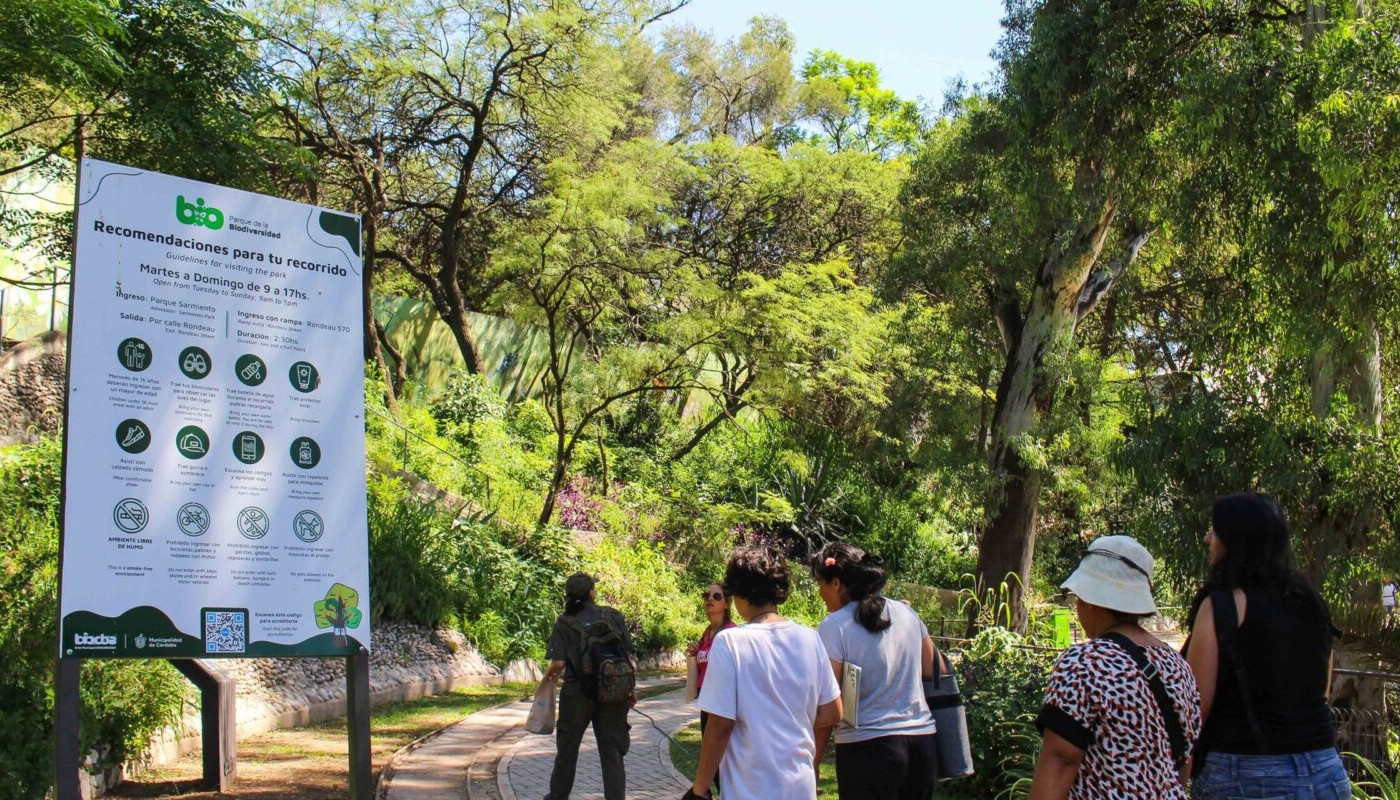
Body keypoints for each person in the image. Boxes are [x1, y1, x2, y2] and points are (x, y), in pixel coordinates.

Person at [1184, 494, 1351, 799]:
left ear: (1235, 539)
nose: (1208, 538)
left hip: (1246, 774)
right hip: (1326, 771)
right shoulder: (1310, 602)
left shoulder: (1222, 604)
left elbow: (1194, 707)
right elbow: (1321, 692)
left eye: (1215, 530)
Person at [1029, 536, 1201, 800]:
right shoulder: (1177, 665)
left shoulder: (1084, 663)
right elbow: (1182, 764)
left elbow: (1060, 760)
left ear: (1091, 599)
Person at [685, 545, 842, 800]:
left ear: (739, 592)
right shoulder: (809, 639)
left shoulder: (730, 642)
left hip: (751, 787)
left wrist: (700, 788)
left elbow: (720, 724)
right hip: (800, 785)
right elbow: (832, 711)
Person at [811, 542, 938, 800]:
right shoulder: (907, 614)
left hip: (867, 749)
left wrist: (812, 762)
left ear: (836, 583)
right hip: (922, 744)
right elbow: (933, 668)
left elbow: (828, 703)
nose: (820, 592)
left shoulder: (834, 626)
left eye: (820, 583)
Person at [541, 572, 635, 800]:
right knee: (612, 753)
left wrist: (543, 685)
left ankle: (557, 797)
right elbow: (626, 655)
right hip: (612, 693)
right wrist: (628, 689)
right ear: (591, 593)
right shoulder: (613, 616)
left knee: (567, 751)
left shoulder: (564, 622)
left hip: (577, 694)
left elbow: (559, 663)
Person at [686, 582, 737, 783]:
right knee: (712, 760)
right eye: (706, 595)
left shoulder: (731, 633)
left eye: (716, 596)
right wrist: (694, 652)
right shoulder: (707, 632)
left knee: (722, 760)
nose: (709, 599)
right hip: (706, 701)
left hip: (723, 704)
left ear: (727, 603)